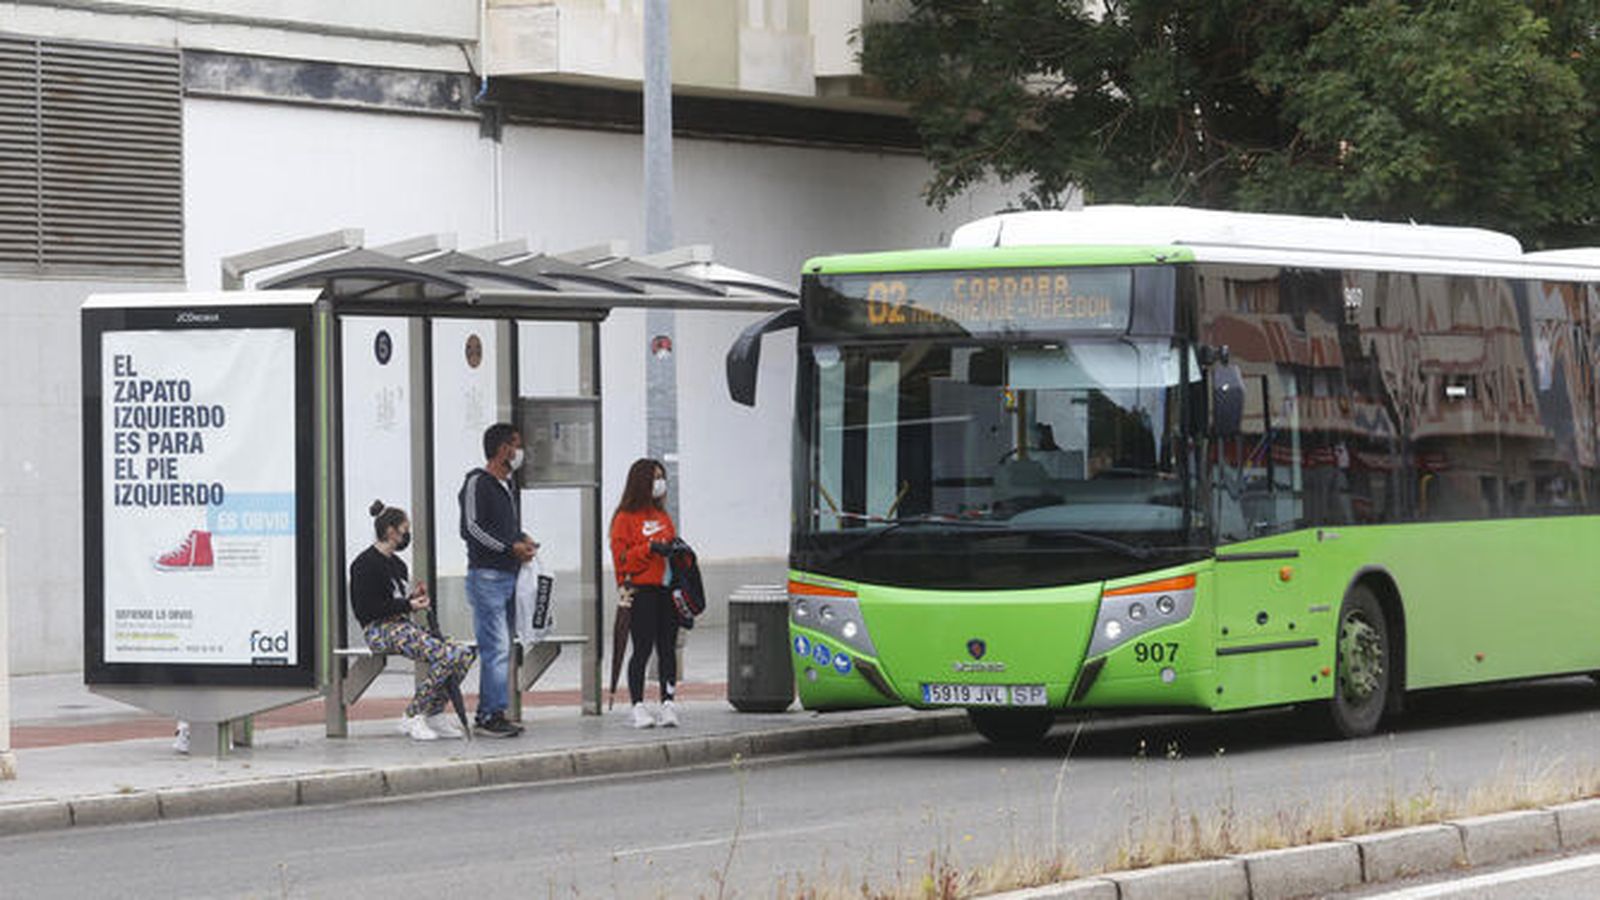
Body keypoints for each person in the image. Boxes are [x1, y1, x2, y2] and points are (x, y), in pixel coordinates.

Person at [350, 501, 477, 741]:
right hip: (378, 630)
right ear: (391, 531)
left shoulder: (398, 564)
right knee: (445, 655)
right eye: (405, 529)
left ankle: (435, 713)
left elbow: (396, 602)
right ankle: (412, 715)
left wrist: (412, 600)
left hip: (402, 627)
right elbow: (367, 609)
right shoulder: (364, 564)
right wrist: (408, 605)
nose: (407, 534)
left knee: (462, 653)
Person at [459, 422, 538, 738]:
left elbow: (505, 528)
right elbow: (471, 528)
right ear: (503, 449)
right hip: (487, 576)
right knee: (497, 646)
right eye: (516, 445)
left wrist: (522, 538)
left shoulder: (508, 486)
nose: (520, 452)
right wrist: (509, 547)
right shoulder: (477, 482)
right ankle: (489, 715)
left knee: (503, 645)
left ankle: (495, 711)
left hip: (509, 574)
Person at [610, 458, 682, 729]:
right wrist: (649, 549)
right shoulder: (623, 519)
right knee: (642, 648)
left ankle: (668, 703)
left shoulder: (663, 516)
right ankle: (637, 705)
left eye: (662, 477)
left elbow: (672, 547)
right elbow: (622, 560)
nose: (660, 483)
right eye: (655, 477)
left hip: (667, 590)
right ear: (641, 482)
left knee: (667, 649)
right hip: (641, 591)